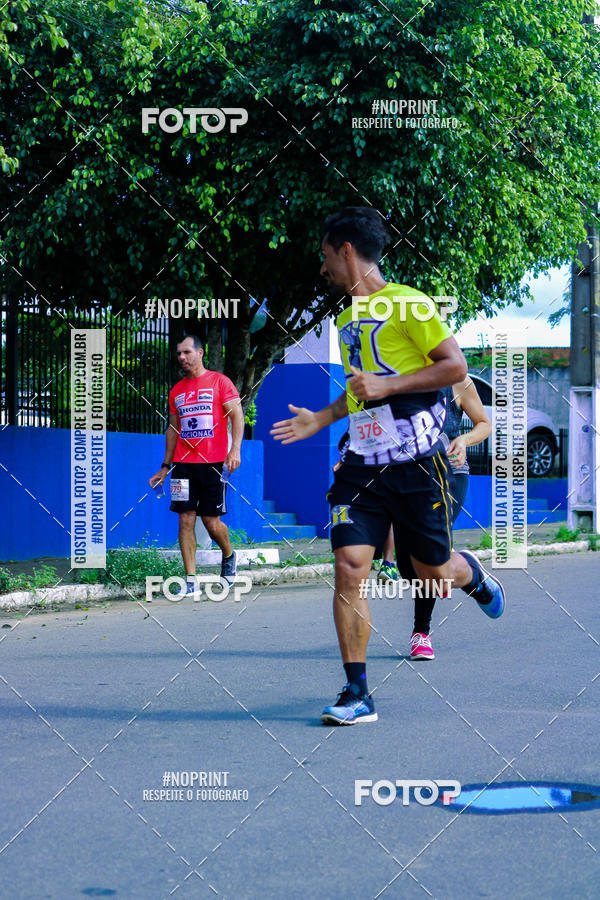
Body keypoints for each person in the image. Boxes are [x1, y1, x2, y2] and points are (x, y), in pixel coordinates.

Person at [271, 206, 505, 725]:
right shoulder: (347, 318)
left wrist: (388, 385)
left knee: (433, 575)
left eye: (327, 255)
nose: (323, 265)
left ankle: (473, 574)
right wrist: (323, 418)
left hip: (420, 466)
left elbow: (455, 367)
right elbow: (362, 394)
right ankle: (357, 692)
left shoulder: (410, 304)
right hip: (362, 466)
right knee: (349, 566)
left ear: (347, 251)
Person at [149, 335, 244, 595]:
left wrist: (234, 449)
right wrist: (165, 466)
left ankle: (228, 555)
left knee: (211, 521)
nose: (182, 358)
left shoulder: (219, 382)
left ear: (200, 353)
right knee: (185, 519)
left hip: (213, 462)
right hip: (183, 464)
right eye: (179, 354)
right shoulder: (177, 390)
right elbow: (172, 428)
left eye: (187, 352)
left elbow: (237, 415)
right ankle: (190, 581)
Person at [406, 377, 492, 659]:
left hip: (450, 475)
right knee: (406, 560)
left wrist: (463, 439)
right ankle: (471, 576)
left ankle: (421, 633)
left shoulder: (458, 382)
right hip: (407, 477)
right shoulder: (399, 375)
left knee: (428, 551)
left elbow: (484, 424)